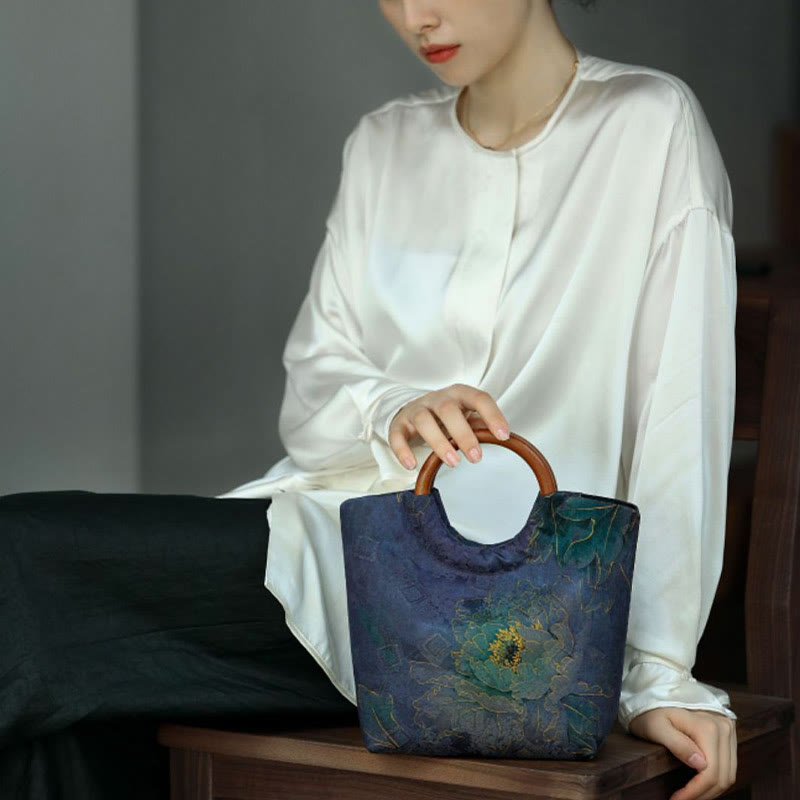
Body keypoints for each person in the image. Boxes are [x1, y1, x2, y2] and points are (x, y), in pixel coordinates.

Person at [0, 1, 737, 799]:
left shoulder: (648, 125)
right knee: (56, 688)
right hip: (337, 538)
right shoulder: (385, 144)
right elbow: (312, 387)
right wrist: (392, 407)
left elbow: (680, 420)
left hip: (511, 611)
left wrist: (656, 672)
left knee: (25, 565)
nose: (418, 15)